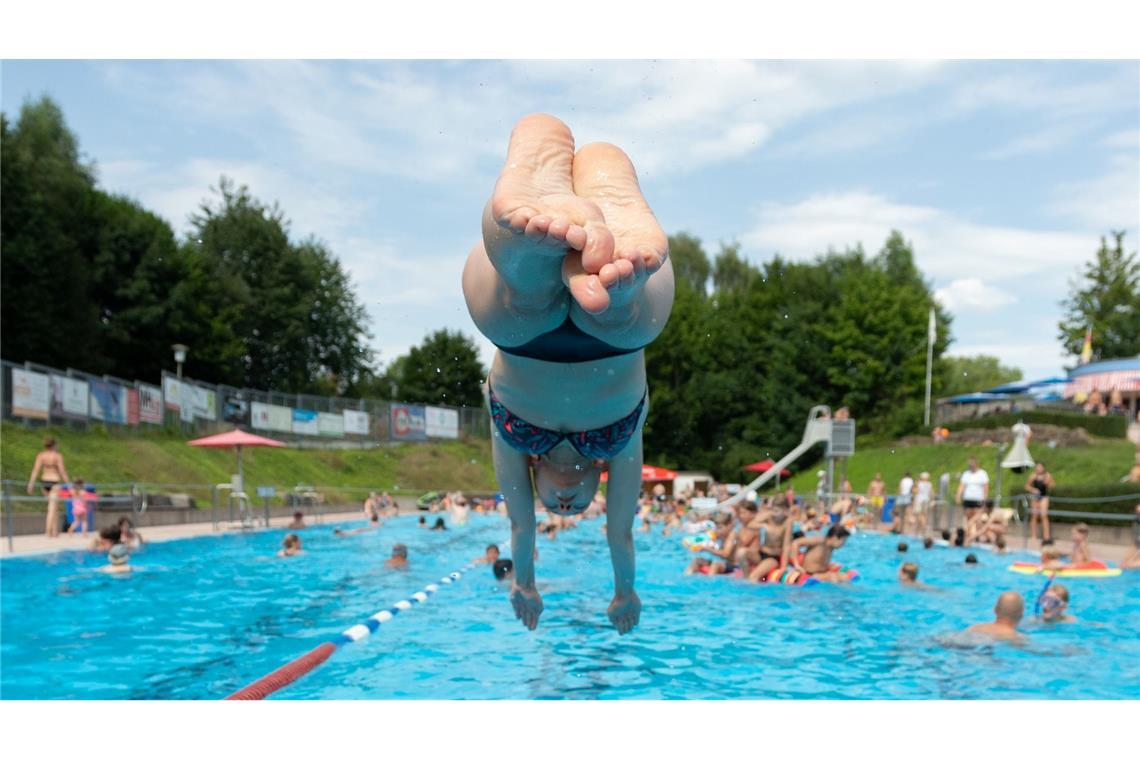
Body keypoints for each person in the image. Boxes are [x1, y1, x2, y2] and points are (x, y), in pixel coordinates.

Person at [462, 114, 673, 634]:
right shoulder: (618, 449)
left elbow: (519, 524)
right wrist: (625, 592)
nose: (565, 505)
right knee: (628, 316)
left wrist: (525, 583)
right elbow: (620, 533)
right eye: (578, 507)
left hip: (521, 338)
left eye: (554, 507)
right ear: (598, 483)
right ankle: (608, 226)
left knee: (517, 294)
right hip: (615, 339)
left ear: (533, 480)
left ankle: (533, 243)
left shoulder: (515, 446)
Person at [27, 437, 70, 537]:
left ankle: (55, 532)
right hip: (54, 482)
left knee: (54, 507)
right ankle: (48, 532)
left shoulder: (41, 455)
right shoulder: (57, 456)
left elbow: (35, 470)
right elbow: (62, 471)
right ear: (54, 445)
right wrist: (69, 485)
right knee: (52, 508)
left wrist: (31, 484)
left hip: (44, 482)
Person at [956, 457, 989, 528]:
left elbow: (986, 488)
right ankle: (969, 532)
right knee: (968, 517)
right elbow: (962, 486)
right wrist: (958, 495)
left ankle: (976, 533)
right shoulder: (966, 474)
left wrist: (985, 499)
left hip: (978, 499)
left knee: (977, 517)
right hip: (968, 499)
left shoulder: (982, 474)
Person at [1025, 463, 1055, 543]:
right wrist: (1033, 490)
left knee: (1044, 515)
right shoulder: (1033, 476)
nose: (1038, 469)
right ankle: (1033, 535)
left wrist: (1048, 483)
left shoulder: (1047, 476)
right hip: (1035, 497)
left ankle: (1046, 536)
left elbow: (1052, 485)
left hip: (1043, 497)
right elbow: (1027, 486)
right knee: (1034, 516)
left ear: (1043, 468)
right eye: (1037, 467)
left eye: (1040, 467)